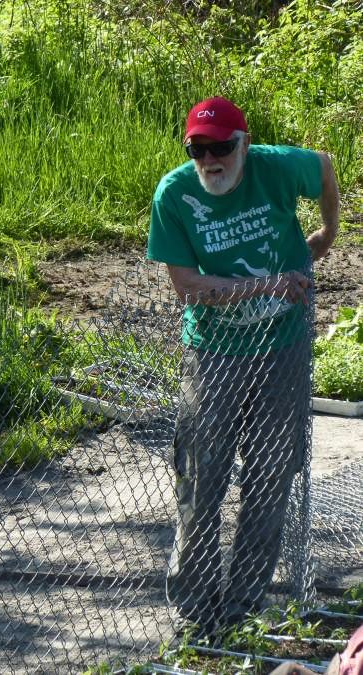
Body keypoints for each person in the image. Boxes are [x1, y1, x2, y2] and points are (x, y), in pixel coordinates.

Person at [146, 96, 340, 634]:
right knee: (200, 474)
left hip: (283, 346)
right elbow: (188, 287)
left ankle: (243, 602)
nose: (210, 158)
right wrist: (269, 284)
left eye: (221, 147)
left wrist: (329, 233)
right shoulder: (176, 195)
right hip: (214, 353)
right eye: (198, 148)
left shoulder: (275, 167)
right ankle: (195, 605)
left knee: (271, 473)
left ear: (244, 144)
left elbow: (323, 165)